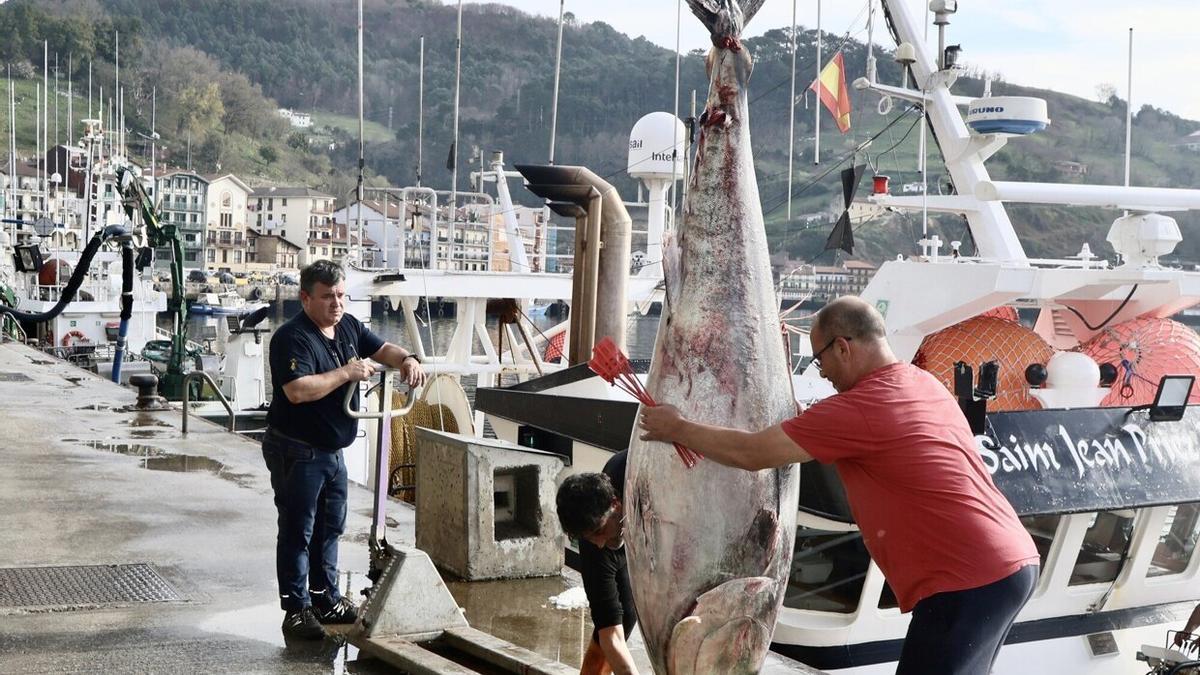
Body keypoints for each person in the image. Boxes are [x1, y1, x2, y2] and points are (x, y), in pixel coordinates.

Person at [639, 296, 1040, 675]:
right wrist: (805, 424)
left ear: (843, 347)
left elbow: (752, 454)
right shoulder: (920, 382)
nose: (824, 373)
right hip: (1010, 564)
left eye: (820, 360)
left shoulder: (859, 408)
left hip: (967, 577)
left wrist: (677, 428)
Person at [264, 259, 426, 640]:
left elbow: (382, 348)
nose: (336, 304)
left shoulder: (349, 326)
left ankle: (325, 597)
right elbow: (297, 390)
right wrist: (347, 372)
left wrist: (407, 359)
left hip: (332, 452)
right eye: (327, 297)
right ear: (305, 298)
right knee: (297, 529)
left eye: (340, 295)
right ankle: (296, 608)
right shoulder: (292, 338)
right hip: (296, 449)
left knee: (330, 527)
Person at [556, 450, 640, 675]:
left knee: (639, 612)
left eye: (600, 531)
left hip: (647, 522)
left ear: (616, 503)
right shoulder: (594, 542)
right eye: (589, 537)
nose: (600, 543)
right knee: (620, 617)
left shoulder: (641, 482)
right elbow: (610, 635)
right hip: (620, 531)